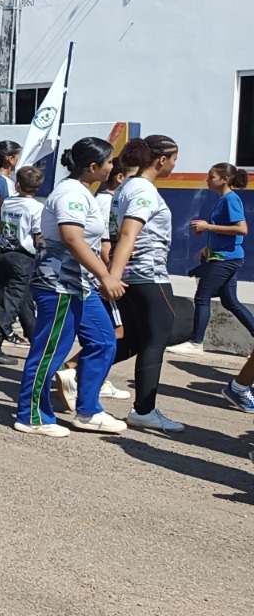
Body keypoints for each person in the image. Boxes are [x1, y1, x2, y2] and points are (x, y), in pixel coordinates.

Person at [13, 137, 129, 438]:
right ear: (92, 167)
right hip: (58, 286)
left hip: (79, 285)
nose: (112, 167)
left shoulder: (83, 193)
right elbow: (72, 238)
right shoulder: (70, 193)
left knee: (104, 341)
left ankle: (88, 411)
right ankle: (31, 415)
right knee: (50, 351)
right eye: (108, 162)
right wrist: (106, 276)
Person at [107, 135, 182, 434]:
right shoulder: (143, 190)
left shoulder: (125, 186)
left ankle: (75, 372)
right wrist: (112, 274)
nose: (176, 165)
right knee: (155, 340)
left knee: (135, 340)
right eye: (175, 158)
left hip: (131, 274)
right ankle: (144, 410)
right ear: (161, 160)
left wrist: (116, 272)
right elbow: (127, 234)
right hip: (147, 275)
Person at [170, 163, 254, 355]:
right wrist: (208, 247)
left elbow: (242, 229)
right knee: (230, 301)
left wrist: (207, 227)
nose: (207, 180)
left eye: (211, 177)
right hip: (224, 255)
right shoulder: (223, 199)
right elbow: (227, 231)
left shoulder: (230, 200)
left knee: (202, 297)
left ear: (224, 179)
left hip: (226, 259)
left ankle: (196, 343)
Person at [0, 164, 44, 365]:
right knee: (12, 301)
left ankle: (35, 339)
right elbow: (38, 236)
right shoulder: (37, 208)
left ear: (17, 185)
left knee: (22, 298)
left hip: (4, 252)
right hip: (23, 257)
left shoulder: (8, 203)